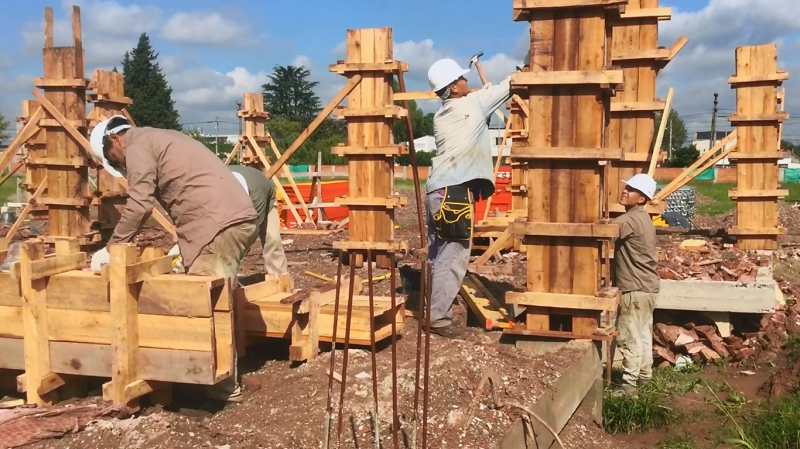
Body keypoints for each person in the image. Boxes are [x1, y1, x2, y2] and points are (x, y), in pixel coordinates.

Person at [88, 115, 258, 402]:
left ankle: (223, 388)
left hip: (219, 224)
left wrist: (114, 248)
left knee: (204, 304)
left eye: (112, 159)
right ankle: (221, 377)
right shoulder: (157, 137)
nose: (118, 165)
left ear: (115, 139)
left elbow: (140, 202)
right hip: (226, 219)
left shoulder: (138, 145)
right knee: (216, 298)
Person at [425, 58, 512, 338]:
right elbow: (507, 86)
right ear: (453, 87)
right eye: (461, 79)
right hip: (454, 193)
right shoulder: (471, 105)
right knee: (453, 256)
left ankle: (433, 307)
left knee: (438, 253)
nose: (466, 82)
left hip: (437, 191)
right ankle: (438, 317)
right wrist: (526, 70)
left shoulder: (441, 116)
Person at [170, 165, 288, 276]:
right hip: (231, 192)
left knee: (271, 239)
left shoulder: (256, 194)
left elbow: (250, 232)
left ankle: (280, 278)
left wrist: (232, 256)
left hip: (264, 193)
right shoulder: (211, 191)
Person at [613, 174, 660, 397]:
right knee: (642, 336)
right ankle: (644, 379)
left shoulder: (630, 220)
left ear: (641, 199)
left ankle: (628, 388)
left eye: (631, 189)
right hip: (647, 289)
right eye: (626, 187)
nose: (625, 191)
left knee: (629, 337)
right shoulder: (642, 218)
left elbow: (603, 234)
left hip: (635, 290)